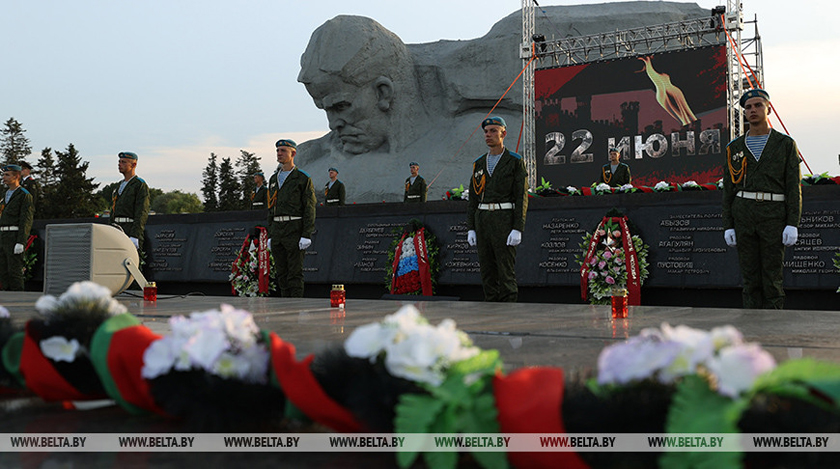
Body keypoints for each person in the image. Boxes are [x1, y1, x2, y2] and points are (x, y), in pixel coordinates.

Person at [722, 89, 802, 309]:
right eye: (748, 107)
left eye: (758, 105)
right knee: (749, 279)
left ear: (769, 109)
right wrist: (728, 225)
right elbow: (728, 190)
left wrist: (792, 223)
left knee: (772, 278)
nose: (753, 110)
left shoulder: (784, 144)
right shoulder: (735, 148)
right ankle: (751, 325)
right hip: (744, 215)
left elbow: (793, 187)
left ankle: (773, 325)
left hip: (773, 216)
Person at [466, 116, 529, 302]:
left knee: (505, 269)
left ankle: (508, 310)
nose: (488, 135)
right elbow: (473, 198)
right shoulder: (479, 163)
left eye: (493, 131)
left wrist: (518, 227)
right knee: (487, 270)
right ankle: (490, 309)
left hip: (504, 218)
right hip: (483, 219)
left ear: (503, 133)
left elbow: (521, 196)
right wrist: (471, 227)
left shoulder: (514, 161)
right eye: (486, 131)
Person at [266, 139, 317, 297]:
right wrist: (270, 234)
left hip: (294, 228)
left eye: (283, 150)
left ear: (293, 153)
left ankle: (296, 306)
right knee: (281, 273)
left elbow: (309, 207)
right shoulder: (273, 179)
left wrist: (306, 234)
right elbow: (271, 209)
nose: (279, 153)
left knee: (294, 273)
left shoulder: (302, 178)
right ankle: (284, 306)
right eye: (278, 150)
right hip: (278, 230)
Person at [0, 164, 34, 291]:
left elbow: (26, 220)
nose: (4, 177)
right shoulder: (4, 195)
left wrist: (21, 241)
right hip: (2, 236)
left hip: (14, 236)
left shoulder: (24, 195)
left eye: (7, 175)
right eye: (3, 175)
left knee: (14, 272)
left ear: (17, 176)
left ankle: (18, 298)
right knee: (3, 272)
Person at [110, 152, 150, 250]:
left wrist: (135, 235)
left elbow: (142, 211)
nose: (119, 164)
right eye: (119, 162)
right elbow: (113, 210)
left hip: (130, 229)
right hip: (117, 229)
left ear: (133, 165)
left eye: (123, 162)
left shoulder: (139, 185)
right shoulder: (119, 186)